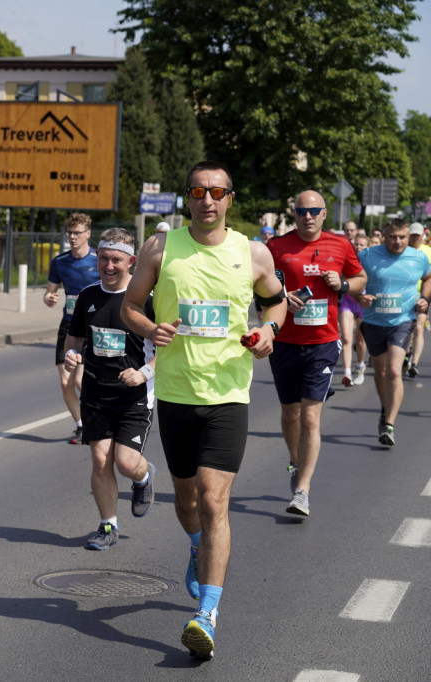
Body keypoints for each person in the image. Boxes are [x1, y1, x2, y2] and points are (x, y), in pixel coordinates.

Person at [121, 161, 286, 660]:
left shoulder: (253, 252)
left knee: (216, 502)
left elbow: (276, 303)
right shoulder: (161, 247)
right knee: (188, 500)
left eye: (217, 192)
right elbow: (130, 306)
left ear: (230, 199)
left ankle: (206, 614)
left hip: (229, 396)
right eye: (198, 191)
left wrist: (268, 333)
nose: (207, 200)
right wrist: (150, 330)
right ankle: (196, 544)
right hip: (175, 393)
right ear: (187, 197)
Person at [266, 191, 366, 517]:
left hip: (323, 342)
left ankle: (302, 491)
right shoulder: (277, 247)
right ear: (294, 214)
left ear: (324, 214)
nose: (307, 216)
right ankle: (295, 460)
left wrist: (343, 285)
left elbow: (360, 278)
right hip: (284, 341)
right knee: (290, 413)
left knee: (310, 416)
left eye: (313, 211)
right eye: (301, 211)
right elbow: (259, 285)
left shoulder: (340, 245)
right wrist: (282, 295)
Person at [63, 228, 158, 551]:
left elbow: (170, 348)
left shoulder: (146, 298)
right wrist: (71, 354)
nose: (109, 265)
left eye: (116, 259)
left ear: (131, 261)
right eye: (103, 258)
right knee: (101, 460)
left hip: (135, 396)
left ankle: (144, 478)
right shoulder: (88, 296)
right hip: (96, 393)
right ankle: (108, 525)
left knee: (127, 463)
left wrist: (144, 373)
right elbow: (74, 338)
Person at [357, 219, 431, 446]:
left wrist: (425, 298)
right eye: (393, 237)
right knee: (380, 374)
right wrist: (359, 295)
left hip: (403, 320)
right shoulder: (368, 255)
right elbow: (351, 279)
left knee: (393, 371)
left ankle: (389, 424)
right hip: (373, 321)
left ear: (409, 237)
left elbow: (428, 278)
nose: (397, 242)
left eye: (402, 237)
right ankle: (385, 408)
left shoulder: (418, 258)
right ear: (385, 236)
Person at [44, 213, 99, 444]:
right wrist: (49, 297)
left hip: (94, 327)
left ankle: (99, 418)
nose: (73, 237)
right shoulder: (60, 262)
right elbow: (50, 291)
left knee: (79, 382)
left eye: (77, 233)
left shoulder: (99, 259)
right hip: (68, 326)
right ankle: (81, 426)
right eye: (70, 233)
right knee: (65, 382)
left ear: (88, 233)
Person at [340, 234, 370, 387]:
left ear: (367, 247)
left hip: (364, 303)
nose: (358, 247)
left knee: (360, 340)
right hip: (348, 301)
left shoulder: (370, 262)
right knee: (346, 337)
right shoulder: (346, 259)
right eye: (356, 244)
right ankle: (347, 372)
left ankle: (360, 365)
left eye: (362, 245)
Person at [403, 222, 431, 377]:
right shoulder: (403, 251)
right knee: (407, 328)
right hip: (405, 295)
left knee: (419, 328)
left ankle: (414, 364)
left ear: (422, 236)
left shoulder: (428, 251)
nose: (415, 238)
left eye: (417, 235)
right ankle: (406, 353)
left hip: (422, 295)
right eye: (412, 235)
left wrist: (427, 296)